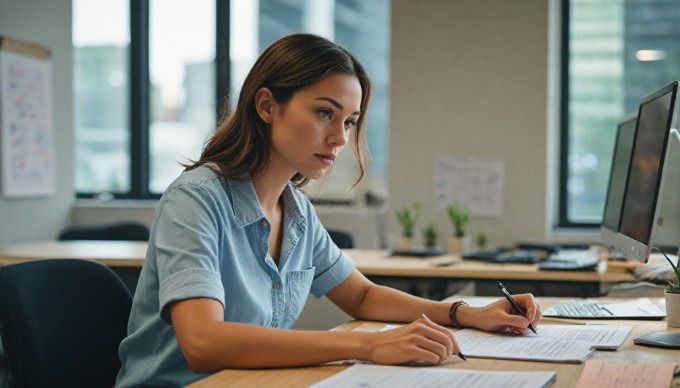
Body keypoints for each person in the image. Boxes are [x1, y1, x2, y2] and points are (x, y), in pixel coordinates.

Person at [115, 33, 542, 387]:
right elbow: (204, 342)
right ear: (266, 106)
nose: (339, 138)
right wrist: (367, 345)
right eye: (325, 113)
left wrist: (466, 314)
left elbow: (361, 295)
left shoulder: (295, 209)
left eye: (350, 121)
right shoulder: (196, 200)